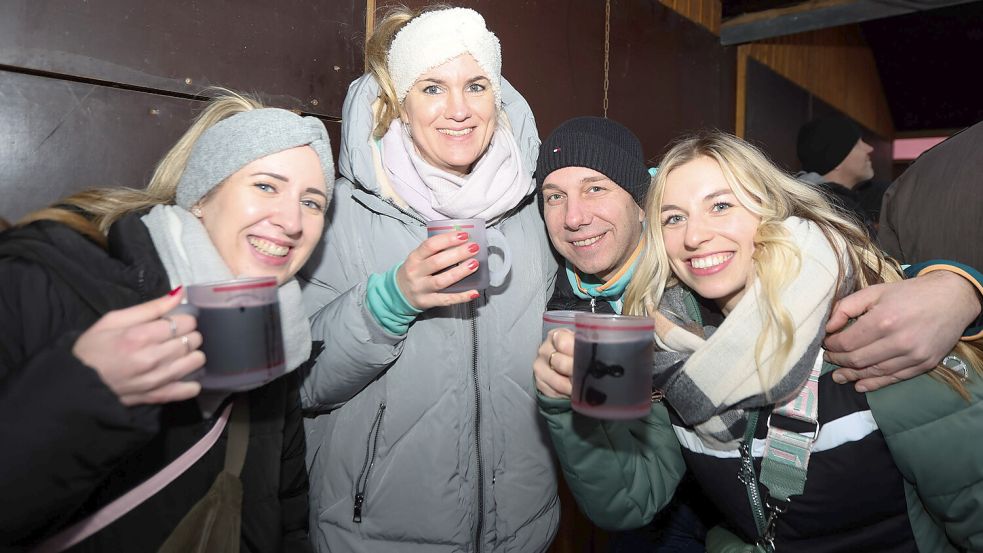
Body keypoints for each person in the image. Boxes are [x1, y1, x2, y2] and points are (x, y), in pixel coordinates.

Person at [537, 131, 983, 552]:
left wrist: (961, 287)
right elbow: (629, 500)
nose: (694, 236)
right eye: (674, 217)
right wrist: (563, 401)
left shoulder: (874, 332)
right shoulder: (665, 344)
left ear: (771, 211)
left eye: (721, 206)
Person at [0, 92, 333, 551]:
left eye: (312, 203)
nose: (292, 221)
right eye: (265, 186)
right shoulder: (53, 282)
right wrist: (86, 392)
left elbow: (283, 517)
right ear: (202, 197)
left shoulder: (279, 346)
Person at [299, 6, 558, 552]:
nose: (459, 110)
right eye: (433, 88)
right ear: (399, 103)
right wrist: (390, 301)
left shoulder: (534, 214)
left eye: (477, 85)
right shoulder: (339, 214)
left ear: (499, 98)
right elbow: (300, 381)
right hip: (373, 535)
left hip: (522, 534)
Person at [534, 116, 714, 551]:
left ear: (639, 202)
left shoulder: (701, 274)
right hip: (652, 521)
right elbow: (625, 499)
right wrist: (561, 405)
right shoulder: (562, 306)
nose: (574, 217)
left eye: (596, 187)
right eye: (554, 196)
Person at [796, 114, 887, 235]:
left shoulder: (813, 204)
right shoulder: (833, 212)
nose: (869, 148)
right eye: (857, 144)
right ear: (835, 158)